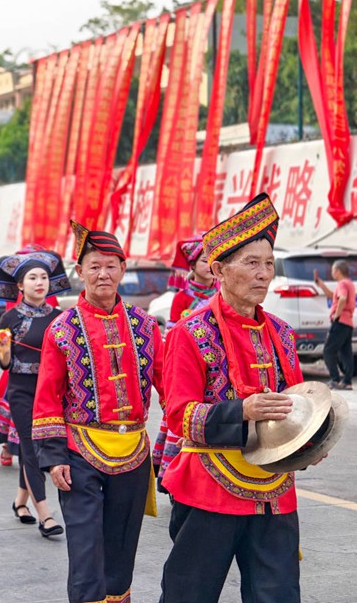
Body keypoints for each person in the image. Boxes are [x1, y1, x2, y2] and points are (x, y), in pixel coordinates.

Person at [160, 194, 306, 603]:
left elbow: (298, 403)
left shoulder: (281, 332)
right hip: (209, 486)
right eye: (252, 263)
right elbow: (179, 416)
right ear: (220, 270)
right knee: (189, 593)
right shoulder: (189, 333)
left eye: (269, 263)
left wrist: (312, 438)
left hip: (275, 490)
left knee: (277, 595)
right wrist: (241, 410)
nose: (264, 274)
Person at [33, 221, 163, 603]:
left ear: (123, 269)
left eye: (111, 265)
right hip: (79, 452)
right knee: (87, 548)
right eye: (94, 266)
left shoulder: (146, 326)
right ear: (80, 272)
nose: (103, 273)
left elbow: (171, 385)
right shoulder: (62, 330)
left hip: (134, 452)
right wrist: (54, 457)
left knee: (122, 545)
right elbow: (47, 397)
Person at [0, 249, 69, 538]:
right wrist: (5, 351)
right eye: (32, 278)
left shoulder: (62, 318)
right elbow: (3, 363)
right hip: (22, 391)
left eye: (44, 277)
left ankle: (20, 502)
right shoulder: (9, 318)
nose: (40, 282)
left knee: (37, 449)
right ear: (20, 286)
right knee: (32, 448)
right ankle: (46, 516)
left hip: (54, 391)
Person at [153, 237, 218, 490]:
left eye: (212, 261)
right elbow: (171, 336)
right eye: (204, 260)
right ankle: (174, 479)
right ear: (192, 266)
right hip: (188, 362)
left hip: (215, 363)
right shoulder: (182, 298)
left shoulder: (223, 292)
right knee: (184, 419)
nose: (209, 265)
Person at [314, 260, 355, 391]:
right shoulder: (349, 283)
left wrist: (336, 315)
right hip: (348, 323)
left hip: (340, 322)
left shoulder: (342, 284)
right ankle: (347, 382)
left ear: (337, 271)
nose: (332, 272)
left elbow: (342, 298)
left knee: (328, 351)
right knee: (346, 352)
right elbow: (334, 297)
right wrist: (321, 285)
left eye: (333, 270)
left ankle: (335, 379)